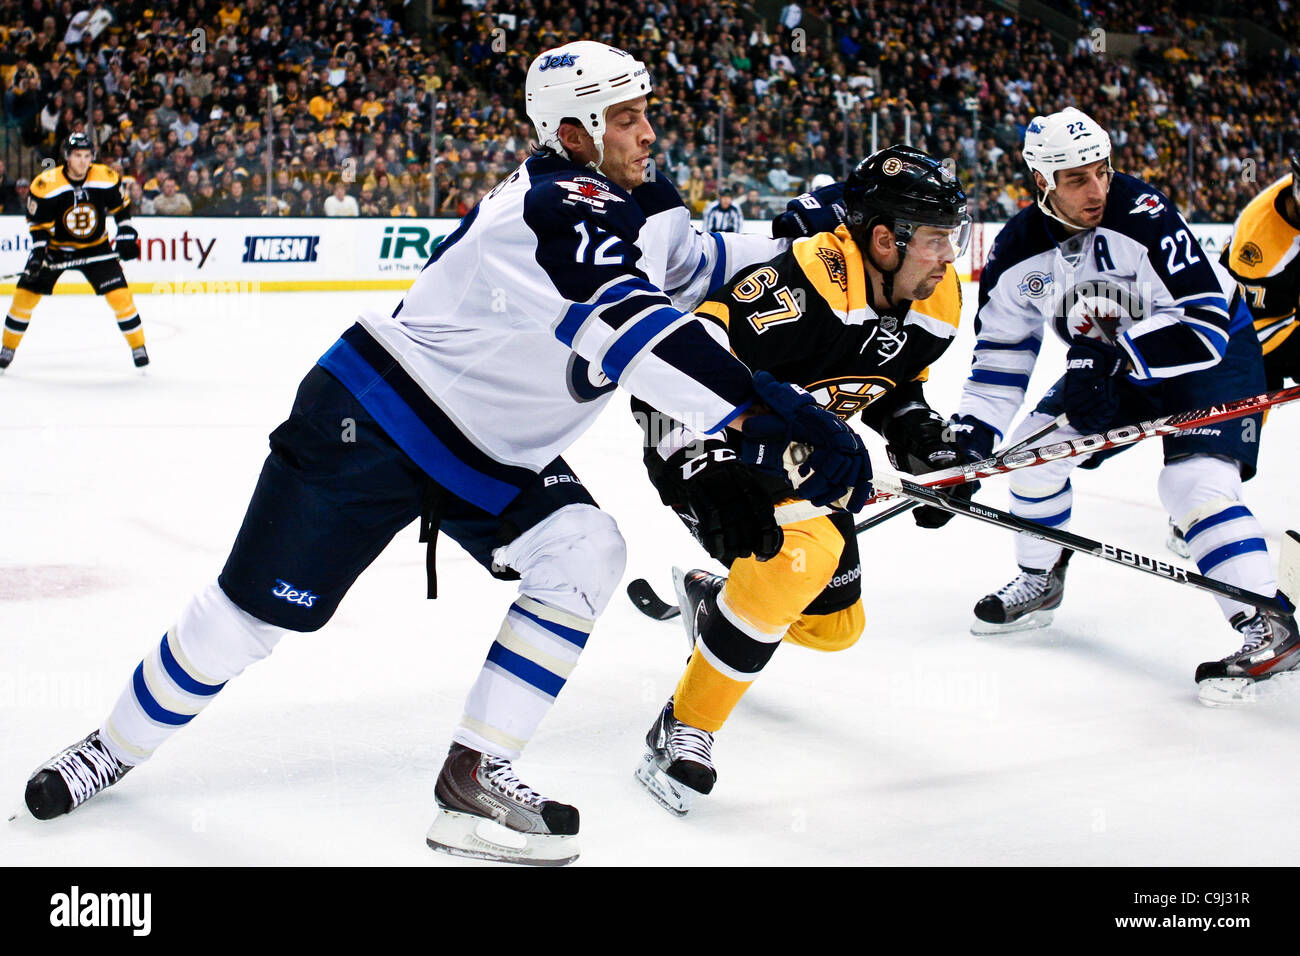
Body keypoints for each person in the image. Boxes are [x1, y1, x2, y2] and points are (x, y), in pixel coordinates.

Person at [21, 41, 867, 867]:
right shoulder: (560, 205)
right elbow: (633, 332)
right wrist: (776, 418)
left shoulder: (638, 205)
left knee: (585, 547)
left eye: (649, 114)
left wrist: (812, 238)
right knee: (248, 620)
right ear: (573, 132)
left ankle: (474, 772)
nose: (650, 133)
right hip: (379, 419)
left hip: (493, 457)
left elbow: (693, 270)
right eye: (628, 118)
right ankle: (110, 747)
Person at [634, 146, 973, 814]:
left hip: (807, 457)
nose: (947, 256)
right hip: (709, 445)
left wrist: (921, 438)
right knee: (801, 556)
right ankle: (685, 726)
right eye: (935, 240)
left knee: (835, 626)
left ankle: (717, 603)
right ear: (884, 238)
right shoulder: (798, 287)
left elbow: (889, 385)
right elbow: (669, 375)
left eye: (950, 238)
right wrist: (703, 474)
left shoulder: (935, 299)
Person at [952, 107, 1298, 706]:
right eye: (1076, 179)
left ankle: (1270, 625)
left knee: (1193, 484)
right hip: (1119, 360)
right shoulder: (1016, 252)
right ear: (1042, 180)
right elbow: (1000, 361)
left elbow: (1206, 324)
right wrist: (965, 448)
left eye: (1102, 171)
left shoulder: (1143, 213)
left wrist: (1110, 359)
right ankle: (1041, 577)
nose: (1096, 190)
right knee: (1033, 456)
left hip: (1211, 357)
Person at [2, 133, 146, 371]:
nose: (83, 161)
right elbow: (38, 227)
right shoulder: (46, 184)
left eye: (87, 156)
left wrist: (127, 236)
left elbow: (122, 210)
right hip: (57, 249)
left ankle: (138, 346)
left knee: (121, 298)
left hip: (96, 248)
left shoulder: (106, 177)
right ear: (67, 157)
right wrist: (38, 255)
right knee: (23, 297)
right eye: (77, 156)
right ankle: (8, 347)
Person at [1219, 156, 1300, 392]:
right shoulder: (1258, 247)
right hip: (1257, 326)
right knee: (1253, 395)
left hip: (1283, 298)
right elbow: (1245, 323)